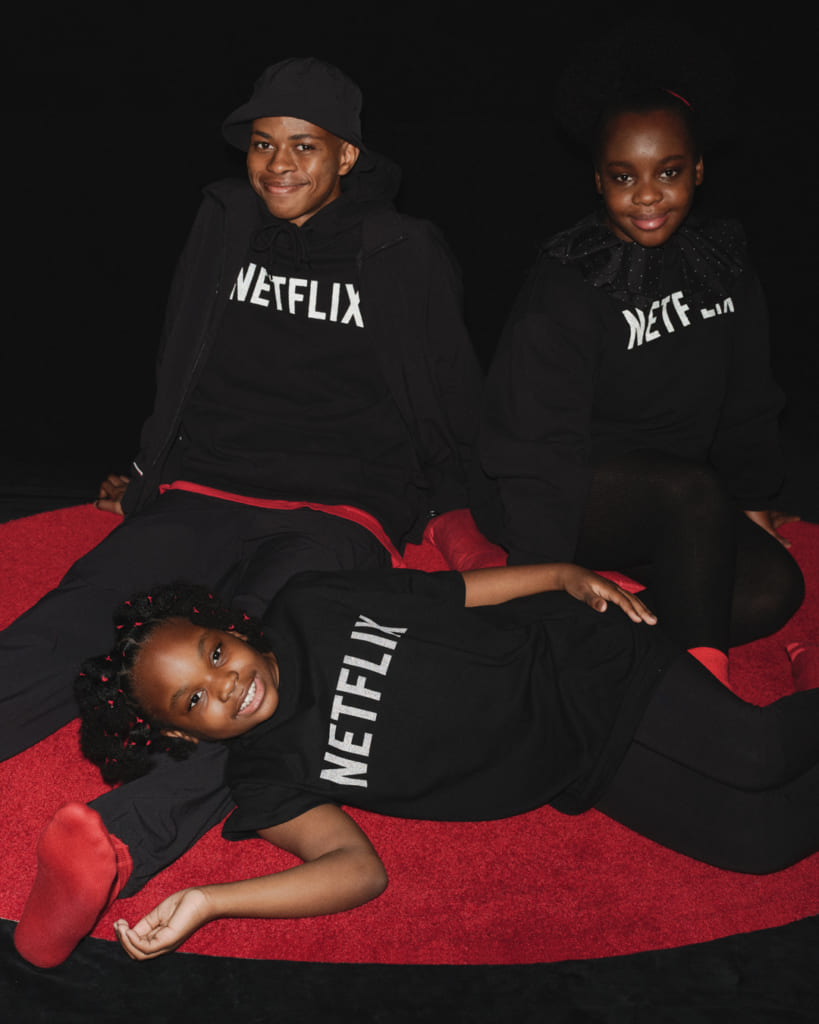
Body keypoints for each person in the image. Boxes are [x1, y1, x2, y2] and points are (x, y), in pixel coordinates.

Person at [8, 56, 483, 966]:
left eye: (303, 146)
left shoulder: (400, 249)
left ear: (346, 154)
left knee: (266, 672)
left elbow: (448, 394)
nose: (278, 165)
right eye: (264, 144)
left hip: (340, 504)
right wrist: (147, 471)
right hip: (209, 482)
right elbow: (180, 350)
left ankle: (113, 847)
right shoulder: (224, 219)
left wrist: (460, 515)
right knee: (87, 608)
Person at [28, 560, 819, 963]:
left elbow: (454, 592)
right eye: (193, 700)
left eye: (213, 654)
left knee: (757, 751)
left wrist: (559, 575)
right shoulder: (262, 778)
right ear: (181, 736)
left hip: (579, 660)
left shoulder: (310, 603)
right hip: (572, 763)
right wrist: (208, 901)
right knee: (758, 844)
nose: (225, 684)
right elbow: (356, 871)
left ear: (229, 628)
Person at [473, 43, 804, 685]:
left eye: (668, 172)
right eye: (624, 177)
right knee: (691, 489)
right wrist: (543, 575)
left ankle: (608, 645)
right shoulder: (570, 280)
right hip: (561, 489)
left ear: (699, 170)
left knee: (773, 585)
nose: (647, 196)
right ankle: (702, 691)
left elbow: (748, 398)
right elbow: (535, 440)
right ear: (598, 180)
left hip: (675, 501)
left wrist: (755, 505)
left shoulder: (723, 261)